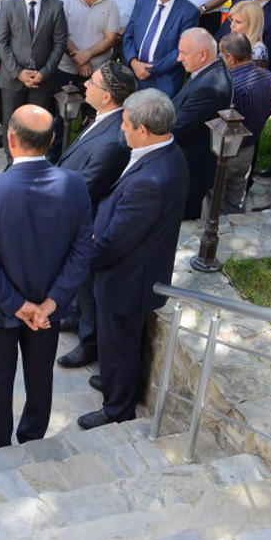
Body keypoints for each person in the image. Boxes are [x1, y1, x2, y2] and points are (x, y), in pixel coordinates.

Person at [0, 106, 92, 451]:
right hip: (47, 312)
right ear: (53, 140)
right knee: (40, 374)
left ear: (10, 140)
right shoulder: (75, 185)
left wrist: (16, 305)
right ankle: (32, 436)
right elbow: (82, 253)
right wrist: (50, 304)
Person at [80, 89, 187, 429]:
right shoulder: (166, 150)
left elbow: (114, 243)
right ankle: (117, 382)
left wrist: (82, 255)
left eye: (125, 124)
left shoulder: (151, 182)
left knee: (120, 342)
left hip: (128, 278)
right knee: (120, 342)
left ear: (143, 129)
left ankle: (117, 407)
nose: (120, 129)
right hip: (135, 269)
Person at [55, 61, 135, 369]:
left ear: (107, 97)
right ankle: (75, 316)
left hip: (88, 218)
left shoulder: (114, 140)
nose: (85, 84)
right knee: (79, 278)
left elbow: (87, 187)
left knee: (87, 278)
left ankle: (89, 341)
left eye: (93, 82)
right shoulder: (101, 117)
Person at [0, 0, 68, 162]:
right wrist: (18, 72)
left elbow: (59, 44)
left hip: (41, 81)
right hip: (12, 79)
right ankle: (12, 166)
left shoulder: (56, 7)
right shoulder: (8, 5)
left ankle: (34, 167)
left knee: (37, 131)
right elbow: (1, 42)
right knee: (12, 128)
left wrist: (43, 72)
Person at [171, 28, 233, 219]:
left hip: (191, 170)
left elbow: (178, 127)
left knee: (183, 223)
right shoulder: (207, 70)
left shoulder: (211, 86)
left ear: (203, 54)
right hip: (187, 165)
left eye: (184, 53)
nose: (179, 58)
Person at [219, 33, 271, 213]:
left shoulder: (232, 85)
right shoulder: (268, 77)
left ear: (230, 57)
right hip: (249, 149)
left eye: (221, 55)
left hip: (226, 152)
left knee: (215, 199)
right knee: (237, 195)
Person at [123, 0, 198, 96]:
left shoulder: (189, 12)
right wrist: (134, 62)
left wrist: (149, 69)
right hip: (133, 72)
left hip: (164, 80)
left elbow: (181, 51)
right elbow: (129, 34)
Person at [60, 0, 120, 89]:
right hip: (66, 70)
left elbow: (110, 39)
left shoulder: (111, 6)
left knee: (93, 109)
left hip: (98, 73)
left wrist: (86, 55)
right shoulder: (64, 2)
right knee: (64, 108)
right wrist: (80, 61)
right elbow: (60, 35)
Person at [225, 0, 268, 65]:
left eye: (238, 22)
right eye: (232, 20)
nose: (232, 25)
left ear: (252, 25)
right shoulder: (232, 41)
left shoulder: (258, 50)